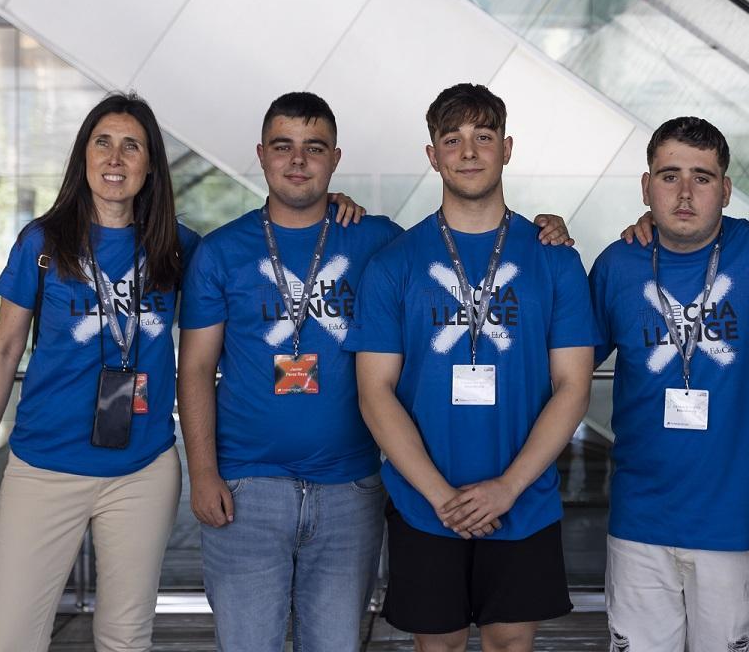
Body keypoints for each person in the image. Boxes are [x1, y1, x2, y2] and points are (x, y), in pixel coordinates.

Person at [176, 91, 574, 651]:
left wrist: (547, 228)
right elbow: (193, 370)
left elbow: (463, 242)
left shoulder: (376, 240)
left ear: (335, 159)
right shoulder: (220, 252)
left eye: (313, 148)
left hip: (350, 485)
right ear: (261, 155)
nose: (298, 161)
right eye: (284, 147)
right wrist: (204, 473)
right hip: (248, 484)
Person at [349, 83, 596, 652]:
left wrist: (507, 488)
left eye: (483, 137)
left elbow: (573, 386)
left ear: (506, 149)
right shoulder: (394, 263)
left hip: (524, 501)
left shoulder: (554, 257)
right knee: (439, 646)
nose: (468, 151)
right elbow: (375, 393)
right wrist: (441, 497)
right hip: (423, 501)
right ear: (432, 154)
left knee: (511, 642)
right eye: (452, 139)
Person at [0, 93, 200, 652]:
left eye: (131, 146)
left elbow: (254, 253)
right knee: (12, 640)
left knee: (125, 638)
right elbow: (3, 351)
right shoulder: (42, 244)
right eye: (103, 142)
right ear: (84, 157)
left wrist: (329, 207)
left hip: (142, 469)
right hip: (44, 467)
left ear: (149, 164)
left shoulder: (178, 248)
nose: (115, 158)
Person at [591, 117, 749, 651]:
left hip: (735, 526)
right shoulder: (618, 265)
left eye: (702, 177)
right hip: (639, 521)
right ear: (646, 186)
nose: (685, 193)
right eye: (669, 176)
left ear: (726, 188)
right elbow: (564, 370)